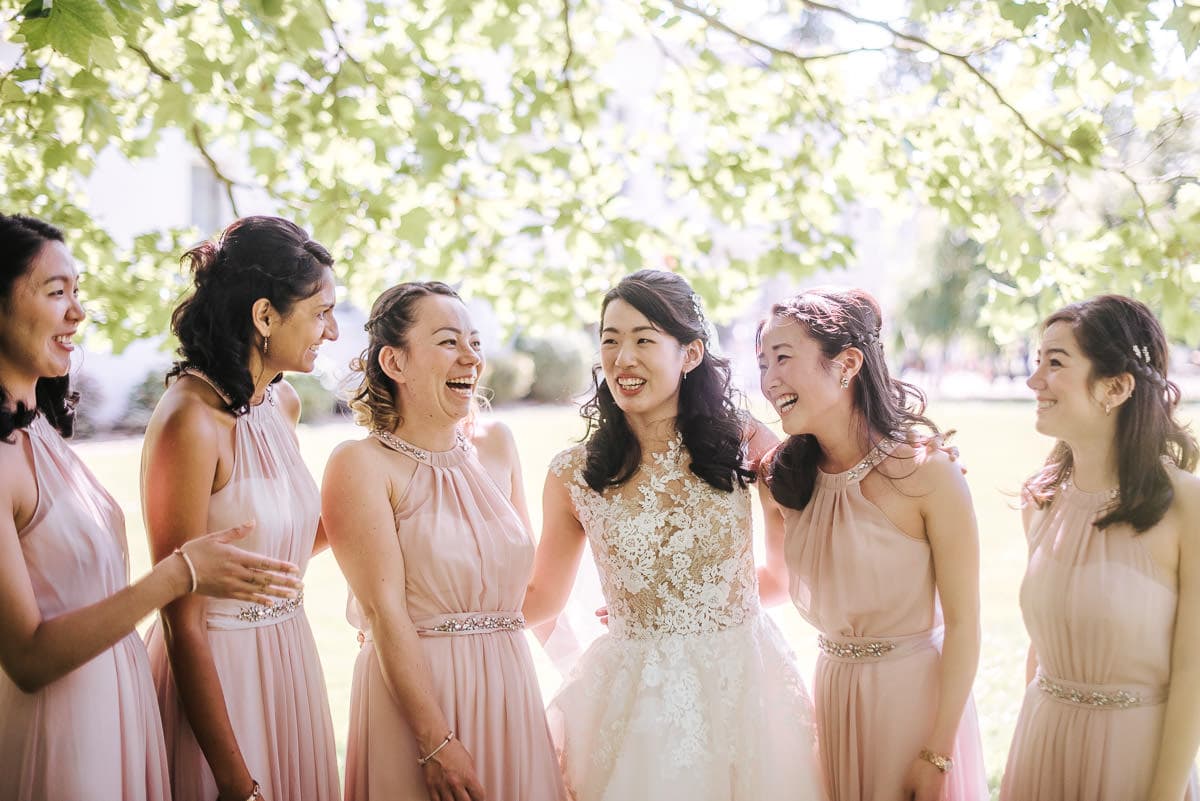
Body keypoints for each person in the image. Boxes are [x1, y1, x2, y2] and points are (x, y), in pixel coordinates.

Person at [0, 212, 300, 801]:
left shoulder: (39, 434)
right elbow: (28, 658)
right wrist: (176, 576)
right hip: (63, 739)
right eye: (55, 291)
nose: (77, 313)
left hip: (117, 708)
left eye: (77, 292)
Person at [522, 269, 824, 801]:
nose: (622, 358)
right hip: (633, 698)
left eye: (643, 339)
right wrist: (441, 627)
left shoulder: (746, 444)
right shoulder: (573, 473)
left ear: (689, 354)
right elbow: (541, 598)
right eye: (610, 341)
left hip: (744, 685)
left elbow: (782, 574)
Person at [321, 281, 566, 801]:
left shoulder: (498, 446)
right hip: (418, 704)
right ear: (395, 361)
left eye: (474, 342)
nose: (471, 358)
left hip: (510, 690)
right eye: (449, 341)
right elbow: (384, 613)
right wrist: (435, 743)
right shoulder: (360, 464)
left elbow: (532, 594)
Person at [756, 287, 987, 801]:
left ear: (847, 364)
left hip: (916, 705)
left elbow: (966, 626)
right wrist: (674, 601)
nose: (769, 381)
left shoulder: (930, 473)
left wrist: (938, 751)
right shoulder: (781, 480)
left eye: (783, 359)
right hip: (833, 695)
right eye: (762, 363)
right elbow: (773, 581)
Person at [143, 216, 341, 801]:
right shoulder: (190, 421)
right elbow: (180, 619)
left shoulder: (281, 403)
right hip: (220, 671)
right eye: (320, 312)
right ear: (264, 317)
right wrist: (236, 783)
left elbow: (278, 543)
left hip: (290, 659)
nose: (330, 332)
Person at [1000, 295, 1200, 801]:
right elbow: (1039, 653)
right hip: (1042, 749)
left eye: (1055, 363)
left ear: (1116, 387)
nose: (1033, 381)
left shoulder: (1186, 506)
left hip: (1132, 760)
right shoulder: (1040, 501)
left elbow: (1193, 674)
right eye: (1036, 361)